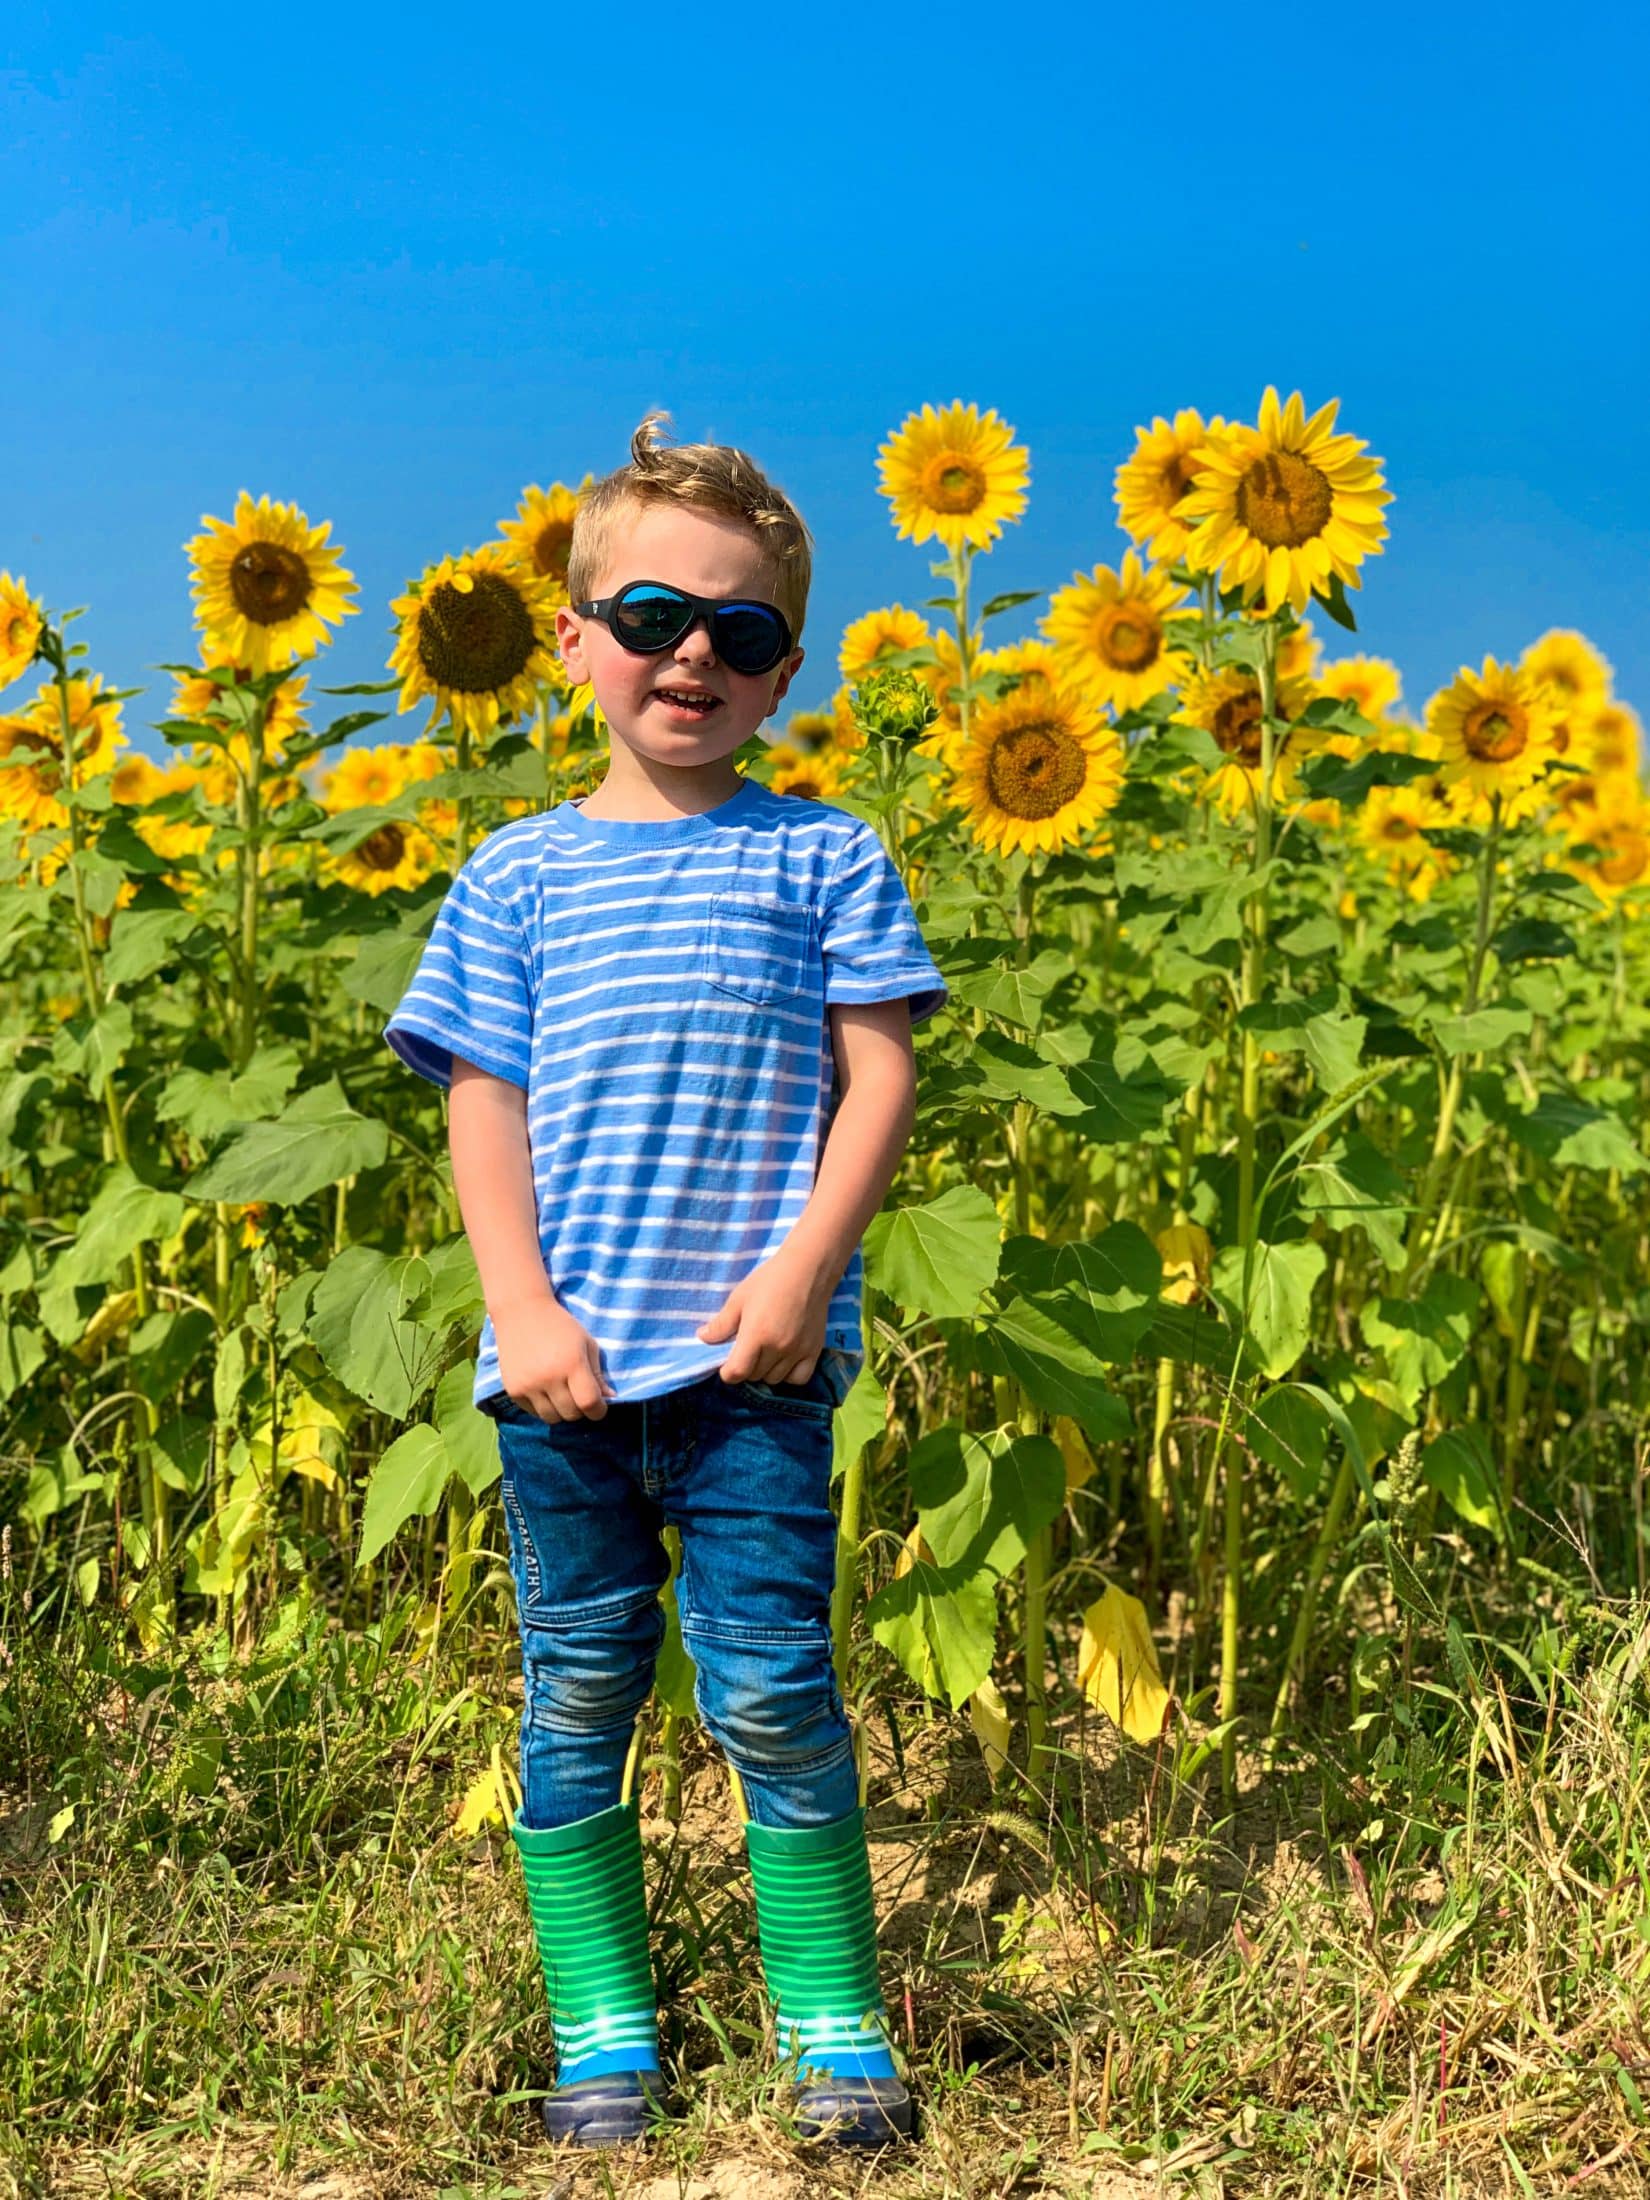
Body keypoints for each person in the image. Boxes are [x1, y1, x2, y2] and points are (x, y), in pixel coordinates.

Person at [383, 413, 948, 2151]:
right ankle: (603, 2030)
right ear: (575, 642)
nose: (690, 654)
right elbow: (487, 1107)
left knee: (772, 1681)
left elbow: (883, 1079)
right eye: (648, 617)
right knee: (574, 1687)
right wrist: (524, 1311)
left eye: (741, 631)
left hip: (754, 1368)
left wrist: (803, 1276)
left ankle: (835, 2024)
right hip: (561, 1376)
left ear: (783, 669)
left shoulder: (823, 858)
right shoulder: (514, 874)